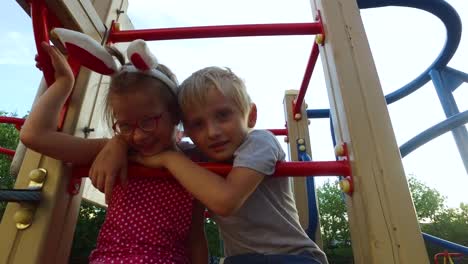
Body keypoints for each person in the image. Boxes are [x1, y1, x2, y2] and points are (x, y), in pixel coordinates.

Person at [97, 66, 329, 263]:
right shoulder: (199, 159)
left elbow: (226, 201)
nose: (212, 132)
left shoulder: (260, 142)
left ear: (251, 116)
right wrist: (117, 143)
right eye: (197, 124)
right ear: (185, 129)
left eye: (223, 116)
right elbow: (149, 146)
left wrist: (169, 159)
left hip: (292, 257)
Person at [20, 29, 207, 264]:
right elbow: (35, 136)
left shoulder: (195, 160)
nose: (138, 136)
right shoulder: (118, 150)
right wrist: (64, 83)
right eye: (125, 125)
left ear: (175, 114)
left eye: (148, 121)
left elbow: (196, 235)